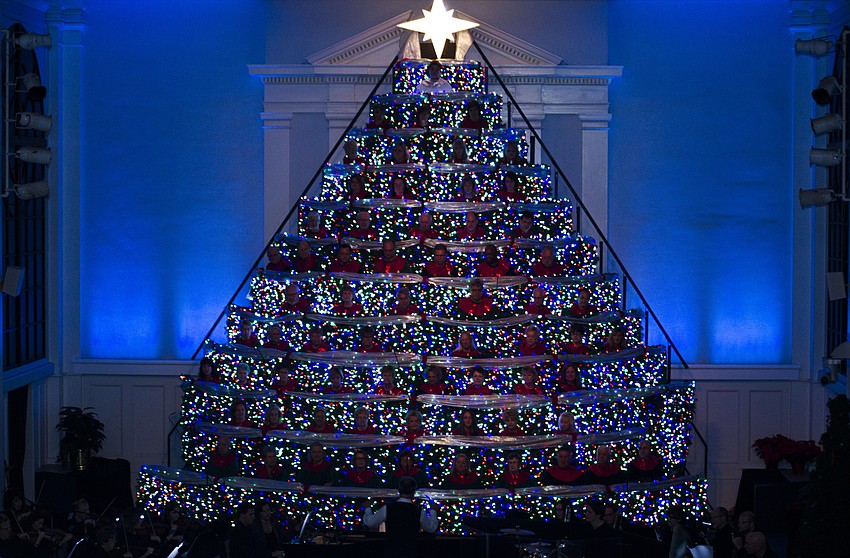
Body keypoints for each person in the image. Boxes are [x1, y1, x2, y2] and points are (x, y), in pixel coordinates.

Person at [362, 476, 438, 558]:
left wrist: (367, 508)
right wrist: (433, 511)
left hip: (391, 552)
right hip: (411, 552)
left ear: (399, 490)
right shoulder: (418, 511)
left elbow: (370, 523)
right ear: (413, 491)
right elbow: (431, 528)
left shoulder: (388, 508)